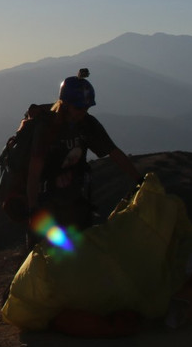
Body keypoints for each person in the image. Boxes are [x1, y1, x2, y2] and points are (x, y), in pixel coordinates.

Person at [25, 68, 142, 245]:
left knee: (79, 242)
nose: (83, 111)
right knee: (43, 247)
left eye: (86, 107)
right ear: (64, 104)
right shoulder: (46, 129)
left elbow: (114, 152)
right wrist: (33, 208)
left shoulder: (88, 124)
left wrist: (138, 180)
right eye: (79, 107)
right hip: (46, 195)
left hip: (76, 192)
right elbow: (34, 170)